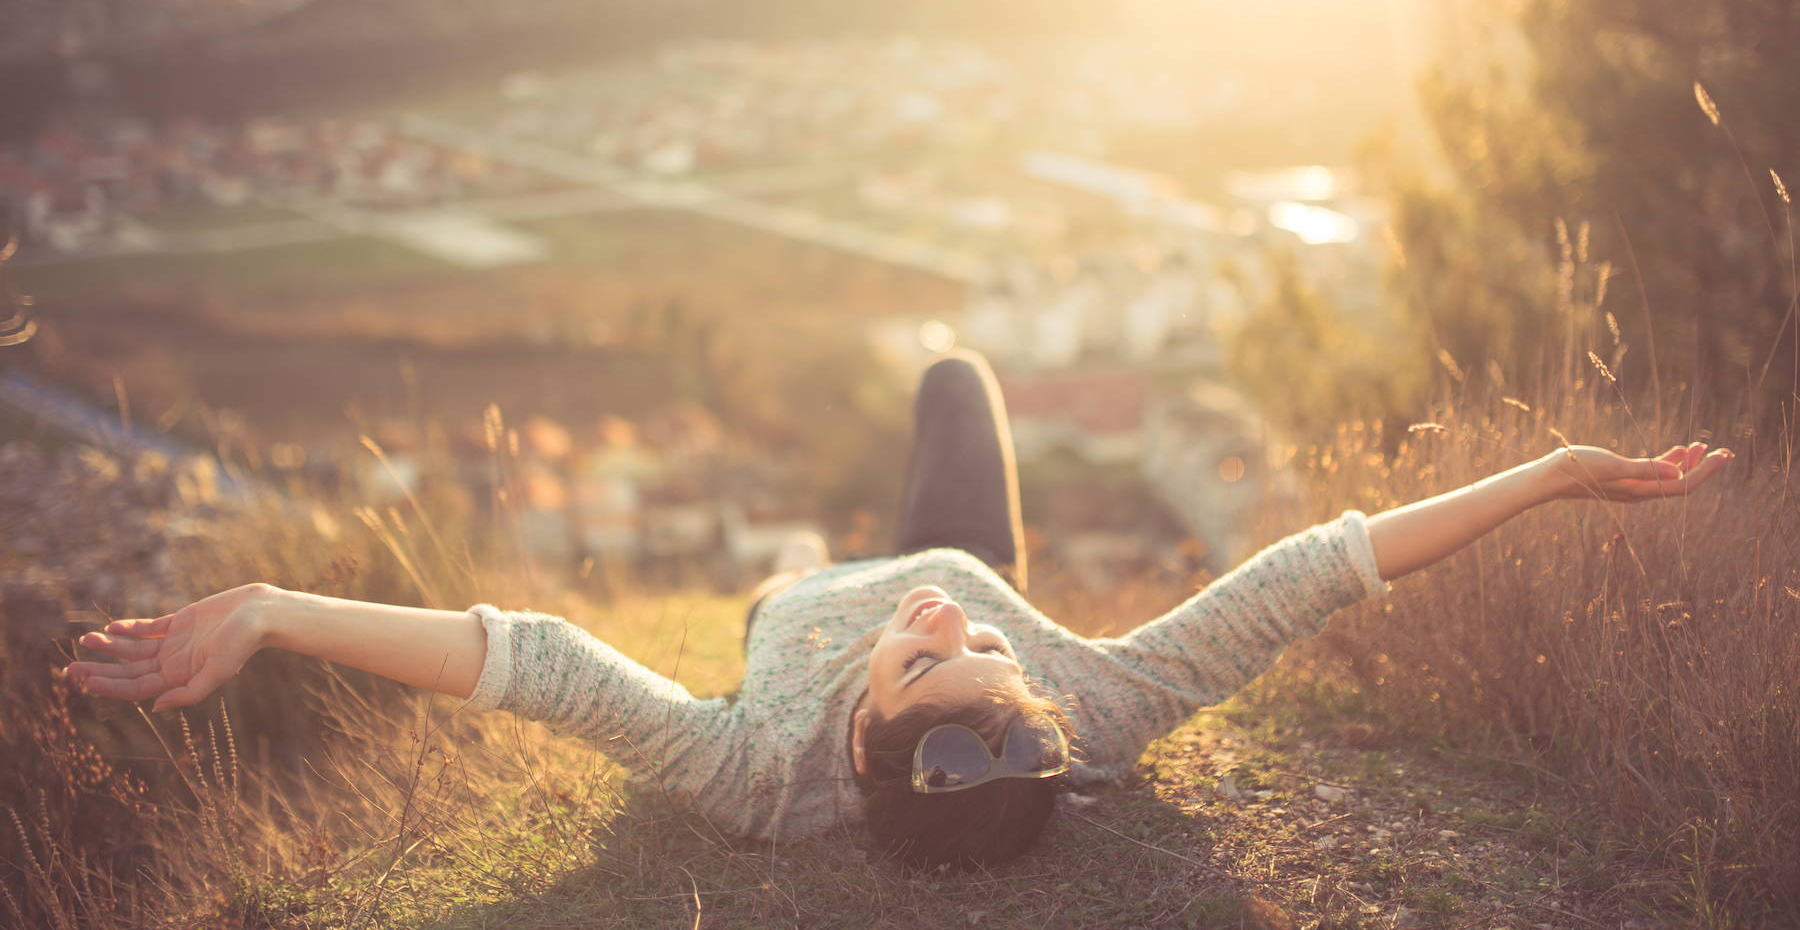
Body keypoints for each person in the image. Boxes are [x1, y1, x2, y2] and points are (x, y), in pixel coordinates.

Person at [63, 350, 1734, 869]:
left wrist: (275, 607)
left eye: (934, 661)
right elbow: (1324, 567)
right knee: (954, 381)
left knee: (915, 400)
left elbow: (535, 663)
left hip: (809, 594)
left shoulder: (752, 776)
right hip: (959, 517)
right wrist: (1555, 470)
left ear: (861, 735)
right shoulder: (1089, 693)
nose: (954, 626)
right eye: (990, 652)